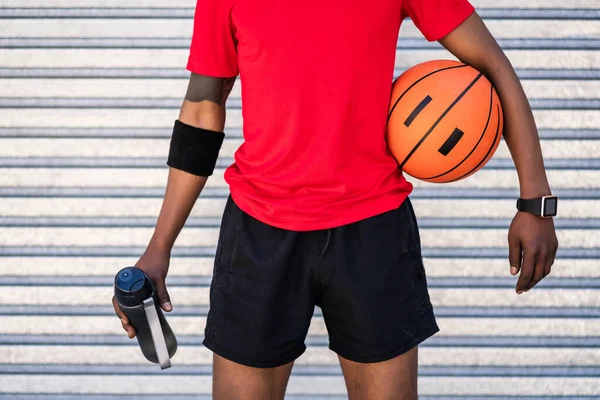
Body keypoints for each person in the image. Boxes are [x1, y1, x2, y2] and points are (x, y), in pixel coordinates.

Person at [113, 0, 559, 398]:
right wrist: (159, 247)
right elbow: (201, 112)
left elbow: (493, 65)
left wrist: (535, 200)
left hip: (374, 229)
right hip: (258, 232)